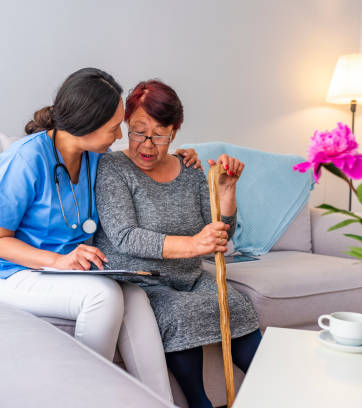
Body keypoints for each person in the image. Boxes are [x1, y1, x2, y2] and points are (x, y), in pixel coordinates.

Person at [0, 67, 200, 390]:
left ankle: (160, 401)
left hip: (69, 271)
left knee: (134, 295)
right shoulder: (25, 159)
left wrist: (182, 158)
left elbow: (145, 163)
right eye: (114, 127)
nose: (119, 136)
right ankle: (86, 397)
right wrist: (58, 261)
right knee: (103, 297)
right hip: (8, 271)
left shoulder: (94, 159)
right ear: (86, 126)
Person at [94, 79, 261, 408]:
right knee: (181, 312)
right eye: (138, 131)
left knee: (236, 303)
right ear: (127, 125)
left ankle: (275, 393)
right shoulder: (112, 168)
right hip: (141, 279)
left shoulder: (190, 169)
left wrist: (227, 192)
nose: (147, 144)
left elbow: (218, 233)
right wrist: (194, 244)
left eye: (159, 135)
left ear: (175, 132)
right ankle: (201, 404)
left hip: (188, 275)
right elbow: (125, 235)